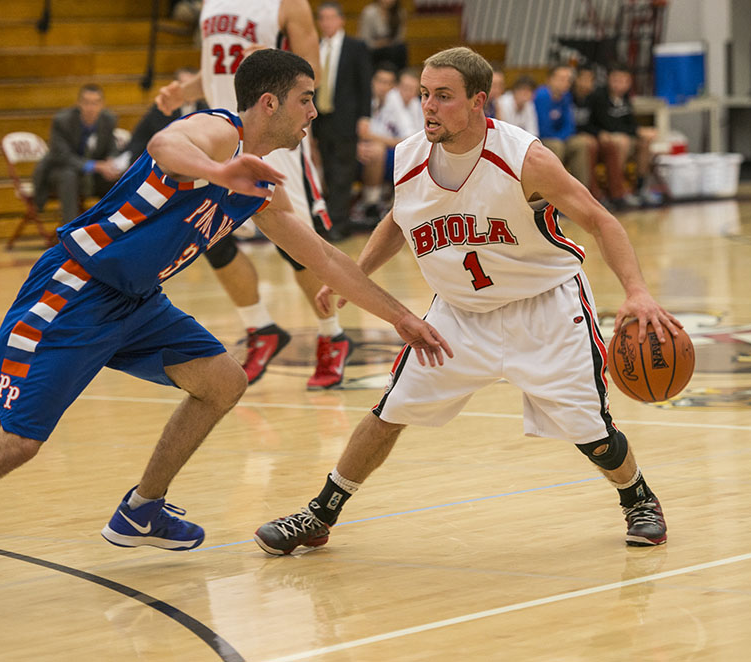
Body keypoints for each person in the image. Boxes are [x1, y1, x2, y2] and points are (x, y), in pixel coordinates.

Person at [0, 48, 451, 615]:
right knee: (17, 443)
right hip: (75, 293)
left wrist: (402, 318)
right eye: (306, 100)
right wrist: (217, 172)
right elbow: (165, 144)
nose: (314, 113)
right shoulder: (216, 132)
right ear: (269, 102)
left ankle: (143, 507)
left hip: (137, 304)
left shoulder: (261, 185)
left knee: (223, 380)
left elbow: (327, 260)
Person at [253, 47, 681, 557]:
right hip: (457, 315)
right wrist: (355, 275)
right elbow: (399, 217)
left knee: (591, 430)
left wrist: (637, 290)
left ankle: (638, 498)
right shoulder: (410, 155)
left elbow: (600, 220)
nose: (429, 107)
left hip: (543, 308)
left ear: (479, 102)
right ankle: (320, 514)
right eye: (427, 95)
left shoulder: (525, 158)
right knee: (389, 411)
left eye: (444, 97)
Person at [156, 0, 352, 390]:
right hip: (221, 133)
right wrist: (186, 90)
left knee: (295, 244)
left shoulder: (288, 4)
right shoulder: (211, 4)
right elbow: (220, 67)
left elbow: (313, 71)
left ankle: (333, 334)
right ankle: (259, 326)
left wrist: (274, 61)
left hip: (275, 135)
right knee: (206, 234)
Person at [314, 1, 372, 238]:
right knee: (327, 171)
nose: (327, 22)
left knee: (343, 172)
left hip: (346, 118)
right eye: (322, 18)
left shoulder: (355, 47)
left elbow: (364, 83)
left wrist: (365, 116)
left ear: (341, 20)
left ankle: (340, 223)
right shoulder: (315, 47)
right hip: (321, 118)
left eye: (331, 18)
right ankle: (330, 221)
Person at [33, 84, 122, 225]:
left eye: (95, 103)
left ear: (102, 104)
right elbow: (61, 156)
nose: (90, 107)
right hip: (57, 171)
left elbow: (111, 147)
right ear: (79, 103)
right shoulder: (62, 121)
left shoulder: (108, 119)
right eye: (86, 102)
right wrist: (96, 166)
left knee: (116, 176)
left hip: (91, 175)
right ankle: (70, 230)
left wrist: (111, 161)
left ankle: (113, 227)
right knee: (68, 175)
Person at [357, 65, 422, 223]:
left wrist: (373, 136)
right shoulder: (367, 97)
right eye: (405, 88)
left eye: (413, 89)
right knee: (380, 151)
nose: (409, 93)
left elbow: (409, 139)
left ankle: (396, 205)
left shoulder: (412, 104)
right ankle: (370, 204)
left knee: (415, 154)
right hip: (361, 147)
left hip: (389, 149)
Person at [588, 64, 658, 207]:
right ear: (608, 80)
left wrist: (641, 132)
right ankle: (617, 189)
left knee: (645, 141)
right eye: (615, 79)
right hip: (603, 138)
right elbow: (607, 124)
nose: (619, 84)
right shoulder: (599, 96)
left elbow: (630, 123)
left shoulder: (625, 98)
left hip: (622, 136)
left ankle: (641, 186)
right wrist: (637, 131)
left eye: (623, 80)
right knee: (622, 141)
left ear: (628, 82)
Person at [115, 67, 209, 171]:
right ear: (176, 87)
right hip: (146, 159)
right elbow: (167, 138)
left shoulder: (205, 107)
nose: (189, 91)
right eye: (184, 85)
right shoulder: (163, 107)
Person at [533, 65, 582, 180]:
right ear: (550, 79)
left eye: (568, 80)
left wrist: (562, 137)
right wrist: (560, 139)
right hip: (543, 138)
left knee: (581, 143)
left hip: (560, 138)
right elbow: (543, 128)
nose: (566, 83)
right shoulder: (541, 96)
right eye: (561, 79)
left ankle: (580, 189)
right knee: (557, 146)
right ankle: (553, 190)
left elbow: (570, 125)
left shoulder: (566, 96)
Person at [570, 66, 602, 200]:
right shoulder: (568, 97)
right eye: (584, 79)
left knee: (596, 142)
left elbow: (595, 123)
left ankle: (593, 192)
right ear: (576, 80)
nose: (586, 83)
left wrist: (597, 133)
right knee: (588, 144)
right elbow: (569, 123)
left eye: (590, 80)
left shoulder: (594, 98)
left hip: (585, 135)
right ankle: (589, 192)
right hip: (571, 135)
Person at [358, 0, 407, 72]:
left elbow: (399, 37)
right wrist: (378, 44)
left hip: (392, 47)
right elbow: (363, 38)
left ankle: (399, 76)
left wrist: (388, 43)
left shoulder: (400, 12)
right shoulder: (369, 12)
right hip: (373, 49)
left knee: (401, 48)